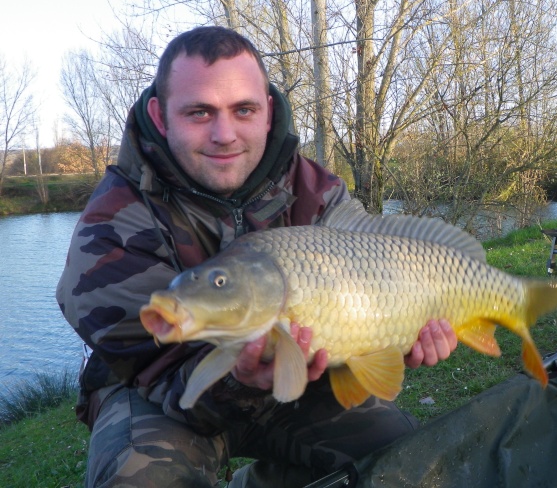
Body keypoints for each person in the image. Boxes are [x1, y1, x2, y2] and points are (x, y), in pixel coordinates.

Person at [56, 26, 457, 487]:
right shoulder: (110, 229)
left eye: (243, 109)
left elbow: (373, 299)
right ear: (161, 116)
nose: (224, 134)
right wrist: (243, 378)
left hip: (301, 379)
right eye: (200, 112)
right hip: (158, 396)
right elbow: (159, 373)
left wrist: (396, 332)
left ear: (267, 110)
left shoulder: (316, 191)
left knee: (400, 457)